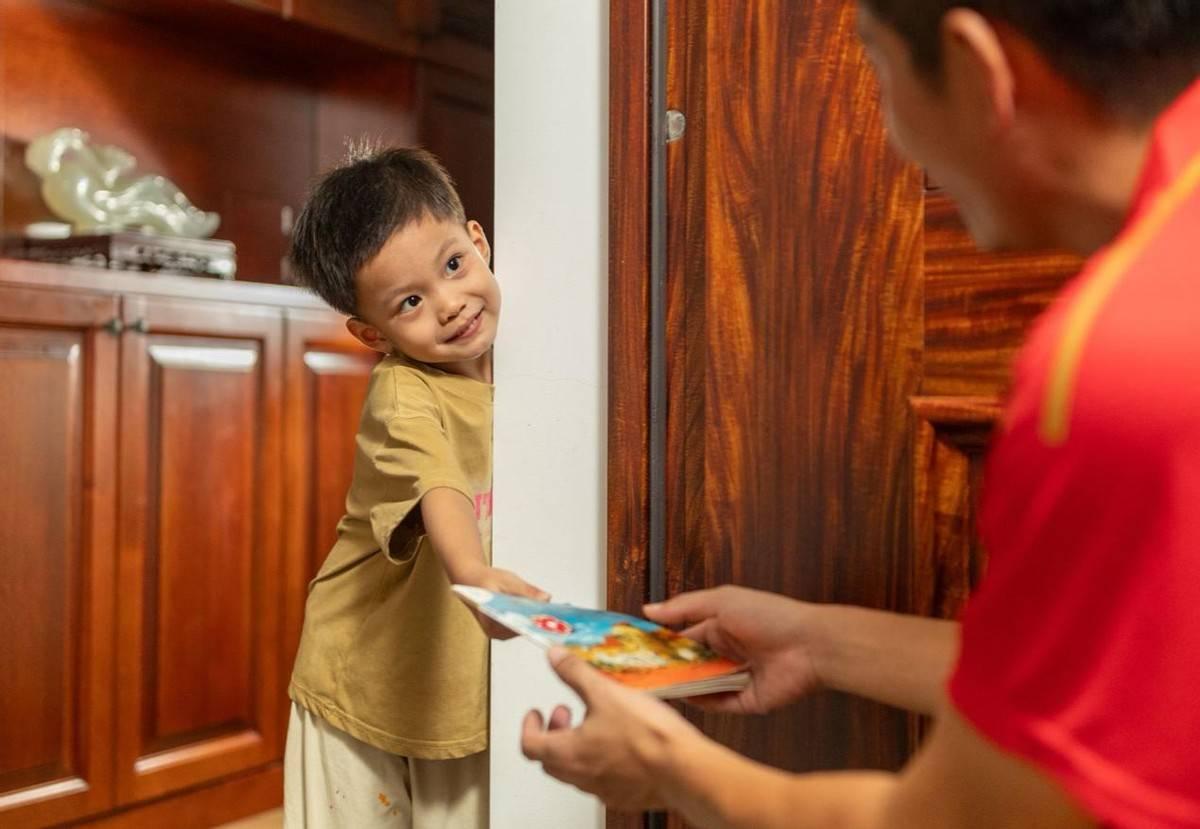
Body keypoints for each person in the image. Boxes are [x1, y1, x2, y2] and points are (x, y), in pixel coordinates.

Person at [521, 2, 1200, 826]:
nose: (892, 135)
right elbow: (1103, 674)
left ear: (976, 69)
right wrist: (817, 641)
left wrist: (668, 769)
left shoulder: (1117, 369)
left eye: (878, 69)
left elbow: (947, 821)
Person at [285, 146, 547, 828]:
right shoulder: (404, 394)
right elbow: (440, 486)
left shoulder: (532, 356)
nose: (450, 305)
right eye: (410, 302)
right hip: (360, 683)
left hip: (451, 688)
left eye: (453, 265)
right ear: (373, 335)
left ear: (479, 242)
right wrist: (475, 575)